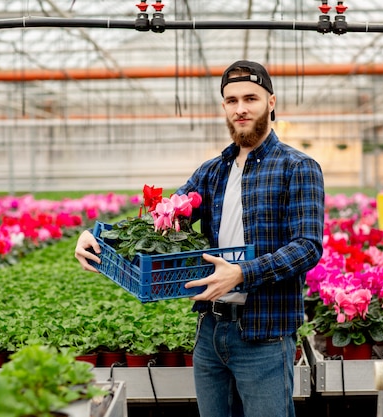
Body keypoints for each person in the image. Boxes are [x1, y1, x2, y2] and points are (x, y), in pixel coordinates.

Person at [74, 60, 325, 417]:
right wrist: (98, 235)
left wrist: (241, 274)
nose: (241, 108)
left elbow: (307, 247)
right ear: (224, 106)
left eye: (251, 98)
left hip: (265, 335)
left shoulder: (297, 167)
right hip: (210, 331)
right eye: (232, 100)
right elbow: (161, 220)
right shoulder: (212, 171)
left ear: (271, 102)